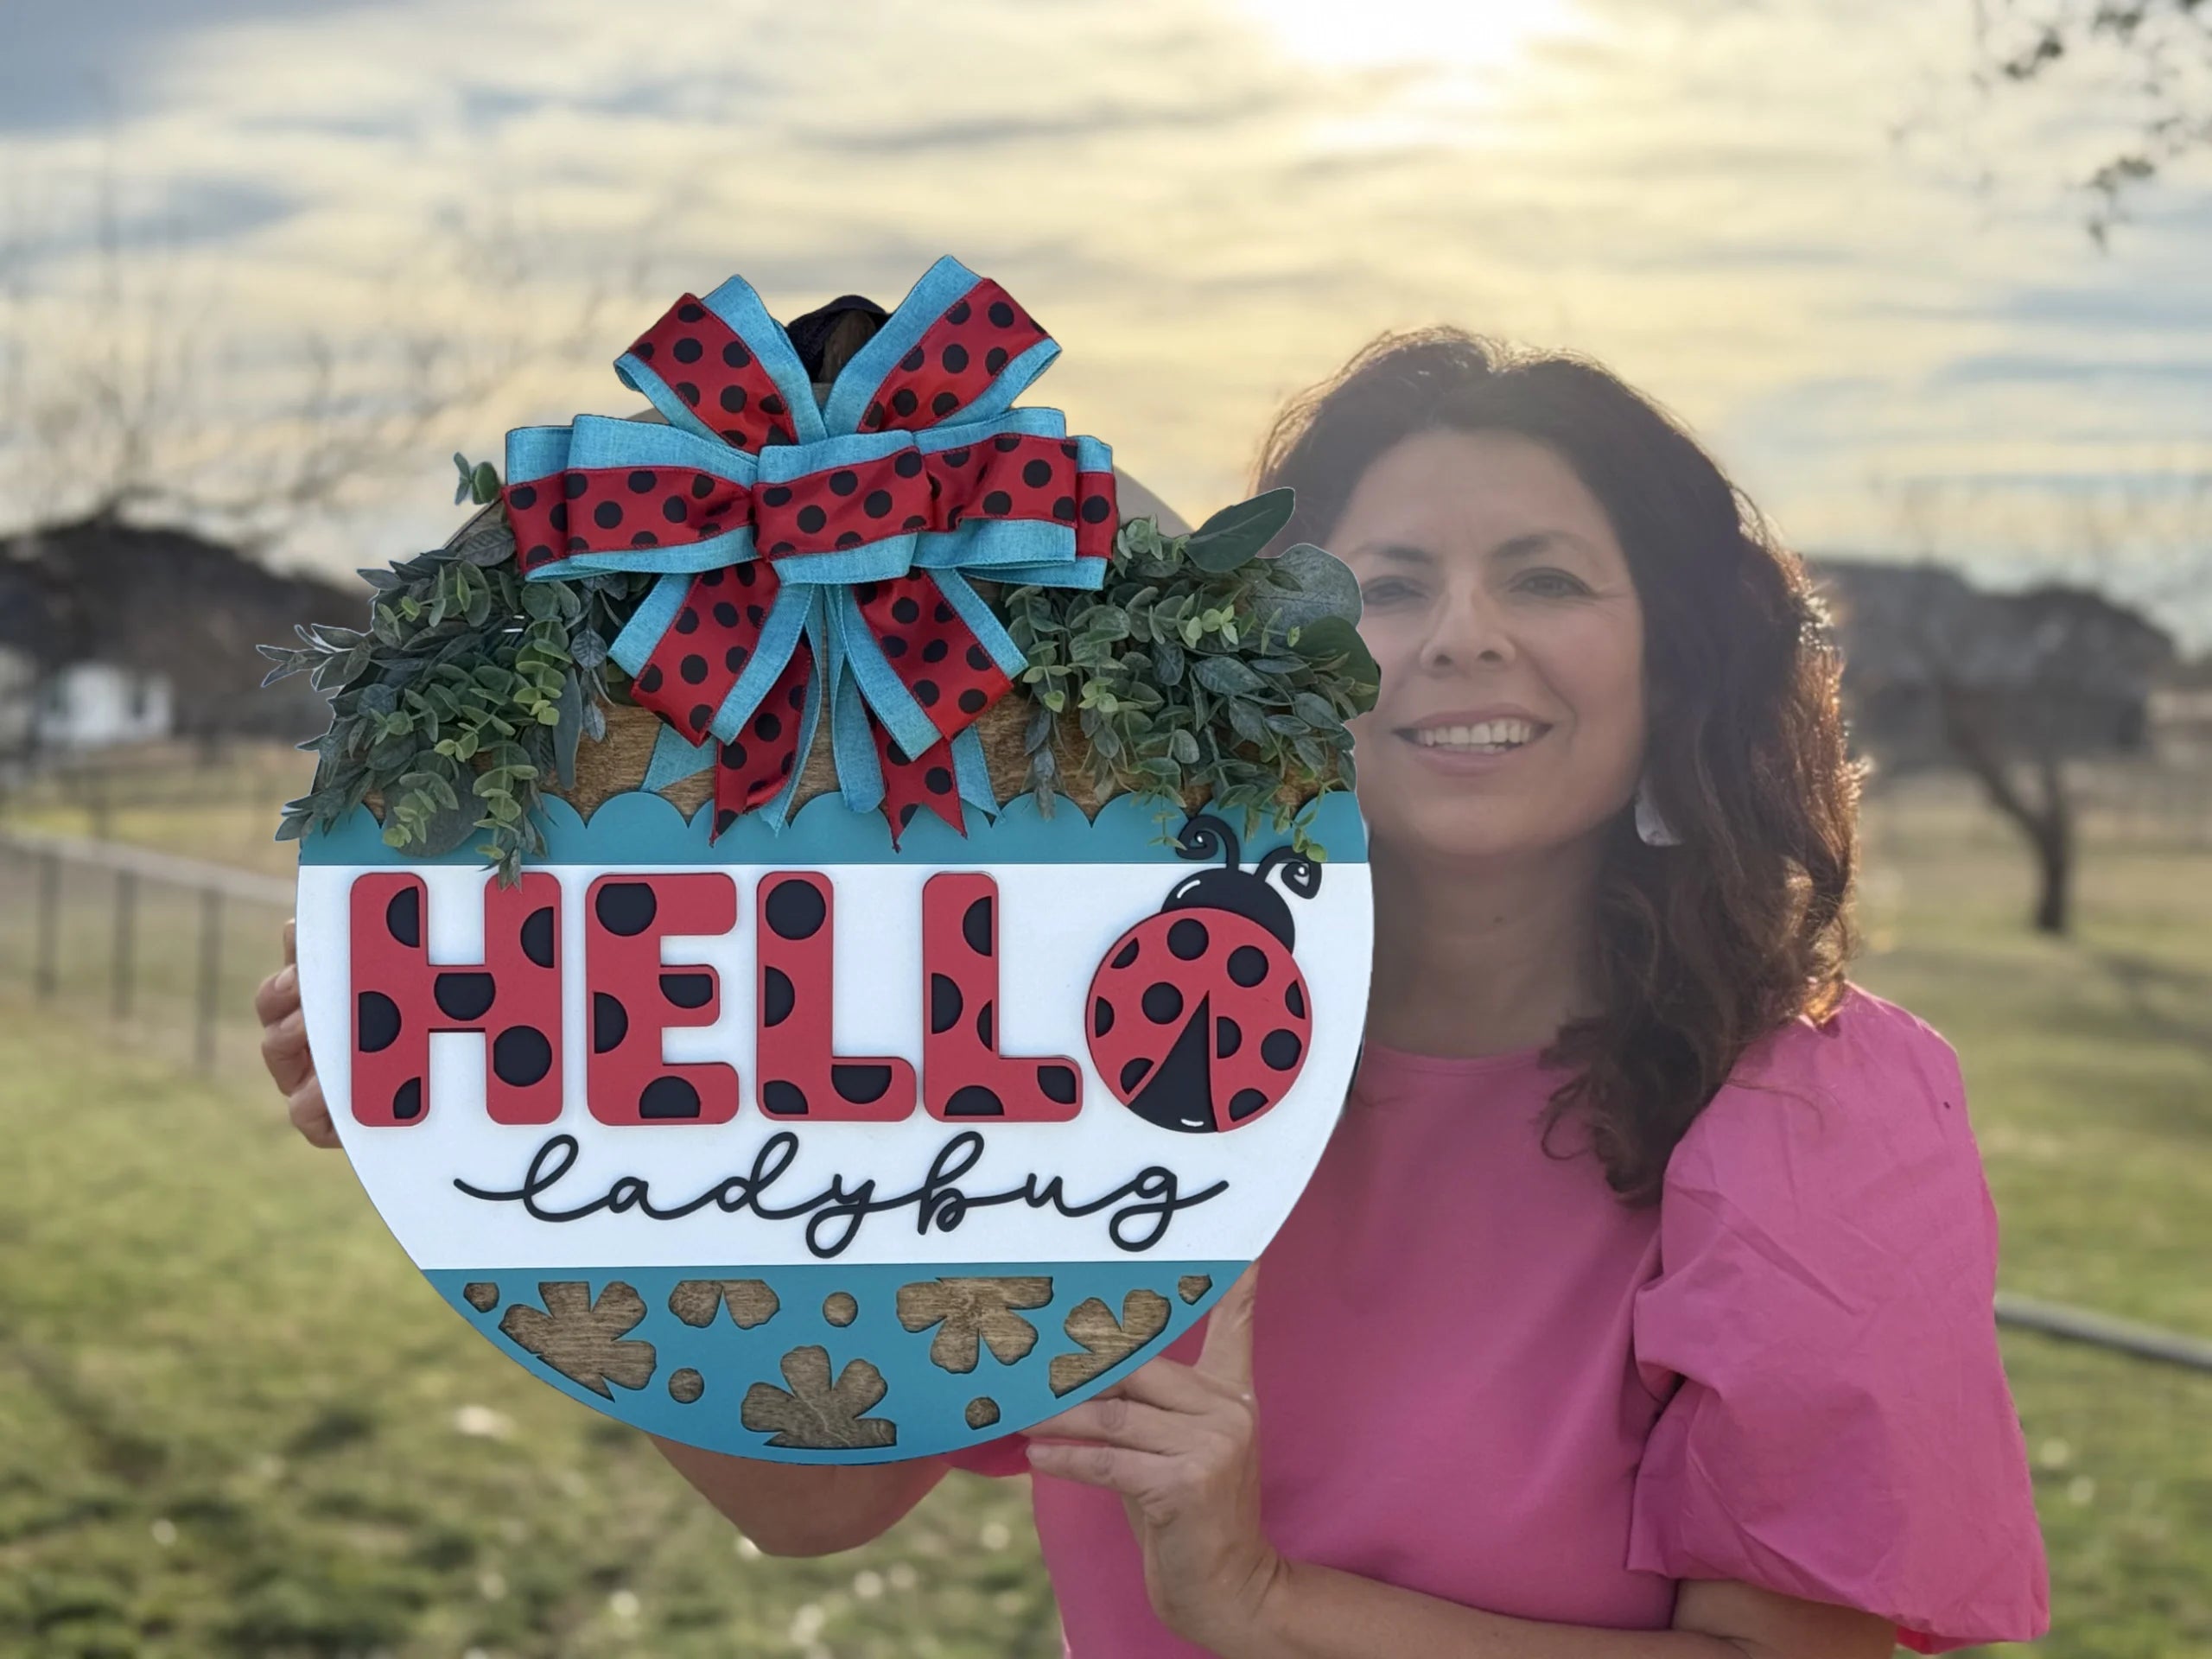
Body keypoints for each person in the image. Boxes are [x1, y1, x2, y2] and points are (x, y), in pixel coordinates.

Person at [256, 327, 2050, 1657]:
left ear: (1677, 667)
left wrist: (1265, 1605)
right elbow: (815, 1492)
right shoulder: (1097, 1056)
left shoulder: (1812, 1110)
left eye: (1547, 579)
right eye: (1384, 583)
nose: (1457, 637)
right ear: (1271, 669)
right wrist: (514, 1159)